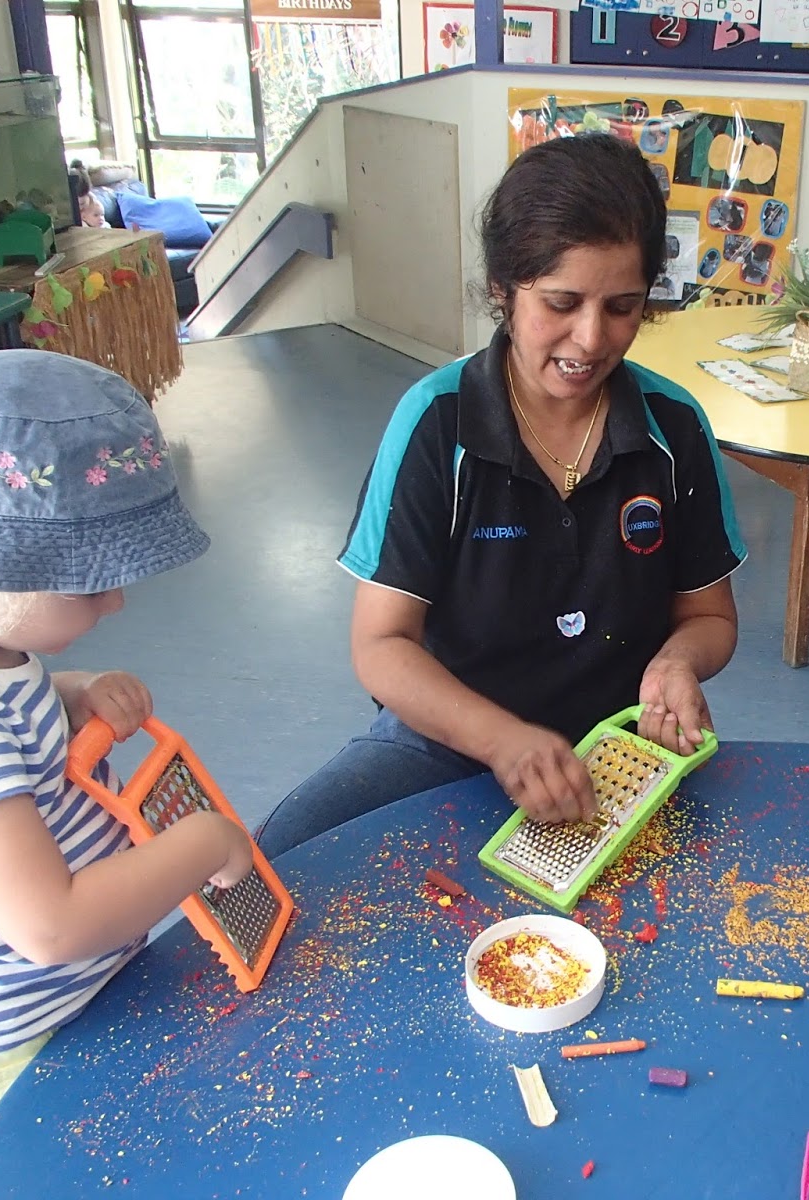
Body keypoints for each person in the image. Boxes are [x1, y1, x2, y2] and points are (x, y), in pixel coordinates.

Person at [254, 133, 745, 856]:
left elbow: (708, 616)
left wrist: (677, 663)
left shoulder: (672, 427)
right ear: (501, 289)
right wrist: (502, 741)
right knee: (280, 856)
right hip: (449, 739)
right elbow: (382, 644)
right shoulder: (437, 421)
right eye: (561, 303)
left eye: (622, 307)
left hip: (619, 749)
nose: (591, 338)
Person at [0, 351, 254, 1162]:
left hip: (56, 1008)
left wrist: (71, 693)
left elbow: (7, 717)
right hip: (4, 1055)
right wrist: (205, 842)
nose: (116, 601)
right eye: (88, 586)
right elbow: (52, 924)